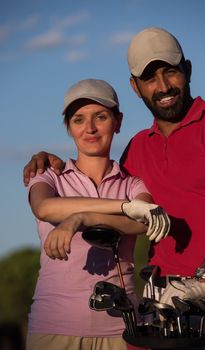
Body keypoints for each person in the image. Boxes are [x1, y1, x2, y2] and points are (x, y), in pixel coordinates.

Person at [23, 28, 205, 349]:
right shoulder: (136, 149)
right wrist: (49, 160)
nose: (163, 86)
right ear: (135, 87)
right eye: (150, 78)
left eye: (170, 71)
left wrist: (204, 280)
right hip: (158, 304)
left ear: (188, 70)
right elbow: (116, 201)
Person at [25, 78, 170, 350]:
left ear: (118, 121)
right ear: (69, 127)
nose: (89, 128)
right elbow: (44, 208)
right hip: (54, 329)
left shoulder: (132, 183)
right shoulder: (49, 176)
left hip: (122, 330)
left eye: (100, 117)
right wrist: (123, 206)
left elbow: (142, 222)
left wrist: (82, 218)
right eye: (78, 120)